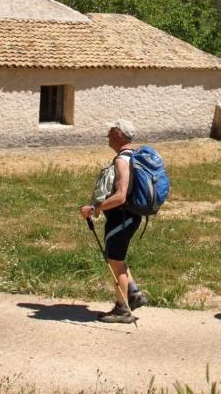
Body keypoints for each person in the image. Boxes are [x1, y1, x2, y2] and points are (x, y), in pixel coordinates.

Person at [80, 119, 149, 323]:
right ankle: (133, 294)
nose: (108, 135)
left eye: (111, 131)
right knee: (117, 259)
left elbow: (120, 196)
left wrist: (93, 209)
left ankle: (122, 310)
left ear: (119, 135)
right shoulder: (131, 156)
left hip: (122, 218)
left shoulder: (122, 160)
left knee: (115, 263)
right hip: (129, 217)